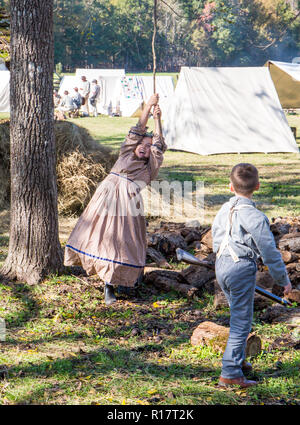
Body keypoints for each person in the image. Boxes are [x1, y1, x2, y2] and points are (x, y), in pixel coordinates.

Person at [64, 94, 167, 305]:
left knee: (125, 242)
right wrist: (148, 107)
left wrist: (158, 120)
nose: (144, 147)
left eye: (148, 147)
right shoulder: (126, 153)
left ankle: (122, 280)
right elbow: (138, 127)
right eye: (141, 143)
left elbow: (159, 145)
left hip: (128, 207)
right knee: (100, 237)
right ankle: (107, 284)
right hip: (105, 200)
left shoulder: (148, 169)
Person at [212, 163, 292, 389]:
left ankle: (238, 361)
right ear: (257, 186)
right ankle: (230, 374)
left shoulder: (222, 211)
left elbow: (216, 240)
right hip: (240, 268)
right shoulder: (255, 216)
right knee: (241, 323)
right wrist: (283, 280)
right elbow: (269, 252)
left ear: (230, 187)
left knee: (237, 314)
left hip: (222, 266)